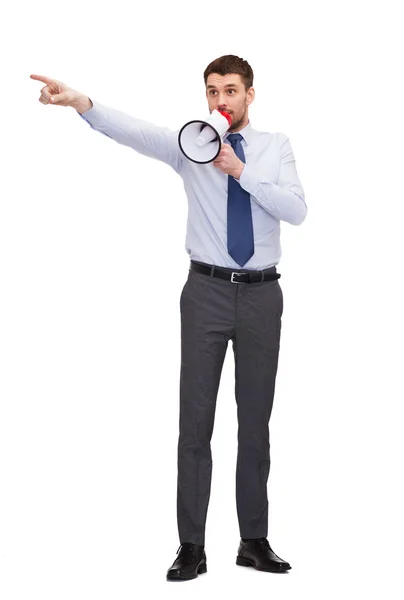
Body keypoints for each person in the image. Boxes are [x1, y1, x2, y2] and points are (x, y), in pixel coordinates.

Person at [30, 54, 307, 581]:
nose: (219, 101)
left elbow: (296, 210)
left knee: (255, 423)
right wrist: (81, 104)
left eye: (229, 90)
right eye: (211, 91)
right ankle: (192, 547)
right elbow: (136, 131)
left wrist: (241, 173)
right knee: (194, 423)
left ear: (250, 94)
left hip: (262, 296)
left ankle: (253, 540)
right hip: (204, 292)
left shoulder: (276, 147)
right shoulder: (192, 142)